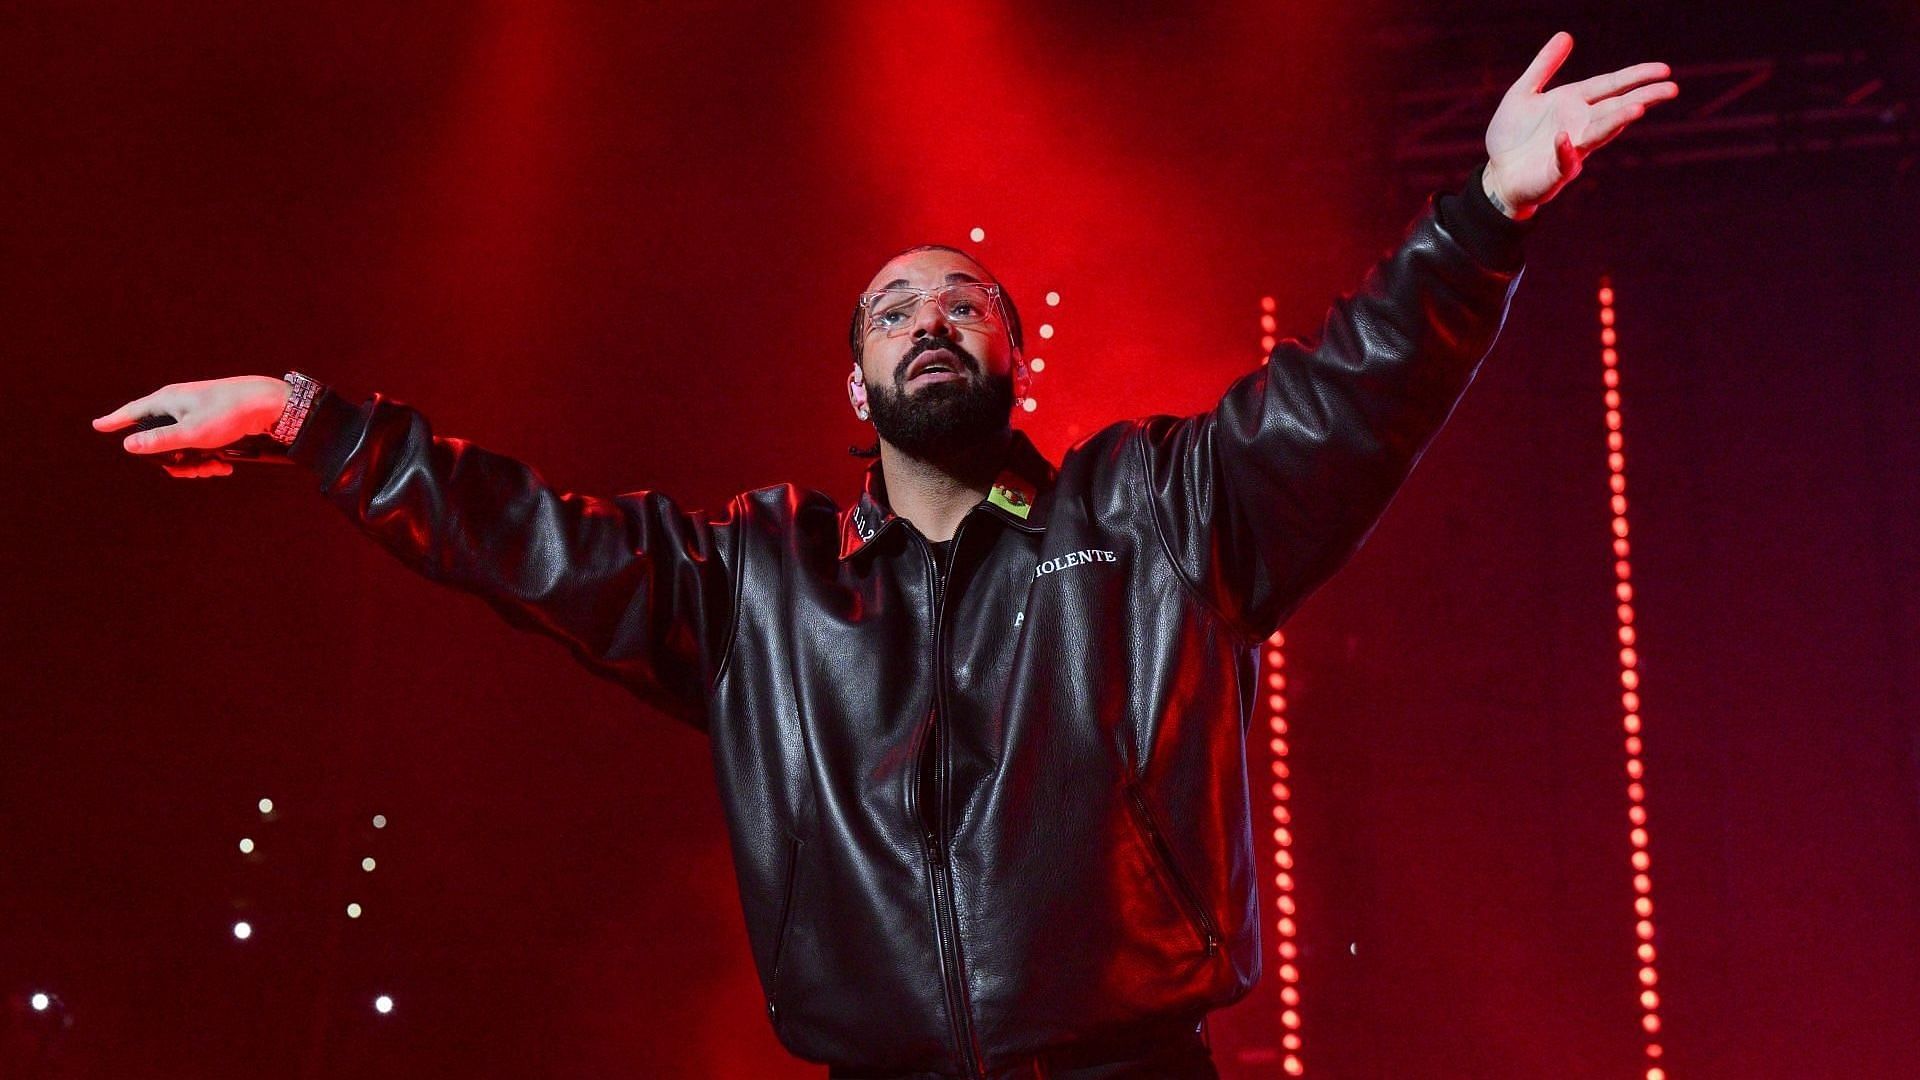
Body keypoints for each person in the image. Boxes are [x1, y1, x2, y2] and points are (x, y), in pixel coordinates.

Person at [92, 33, 1675, 1080]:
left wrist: (1482, 214)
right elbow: (523, 538)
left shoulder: (1160, 511)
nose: (932, 317)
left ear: (1012, 359)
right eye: (894, 308)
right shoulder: (754, 583)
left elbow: (1355, 391)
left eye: (962, 299)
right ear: (854, 386)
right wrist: (310, 420)